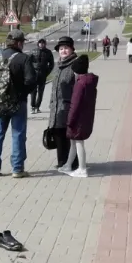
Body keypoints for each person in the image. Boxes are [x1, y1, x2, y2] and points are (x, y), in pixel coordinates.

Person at [0, 30, 37, 179]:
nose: (23, 45)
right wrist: (22, 93)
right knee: (18, 135)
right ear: (19, 43)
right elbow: (31, 81)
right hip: (18, 103)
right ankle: (17, 169)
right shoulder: (24, 59)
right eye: (22, 42)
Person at [59, 54, 98, 178]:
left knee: (78, 143)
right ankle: (68, 165)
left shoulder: (80, 84)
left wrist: (69, 120)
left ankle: (82, 168)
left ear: (77, 71)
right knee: (74, 143)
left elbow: (74, 104)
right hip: (85, 118)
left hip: (78, 120)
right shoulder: (89, 82)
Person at [48, 36, 80, 171]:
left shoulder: (75, 65)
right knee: (58, 134)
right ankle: (61, 161)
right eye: (61, 49)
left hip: (69, 106)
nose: (63, 51)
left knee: (70, 136)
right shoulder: (57, 65)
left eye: (66, 48)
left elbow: (79, 87)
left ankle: (73, 162)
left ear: (72, 49)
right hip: (56, 106)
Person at [29, 38, 54, 114]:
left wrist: (47, 72)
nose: (41, 44)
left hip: (43, 74)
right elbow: (28, 63)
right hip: (34, 74)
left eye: (43, 43)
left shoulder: (48, 52)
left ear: (45, 44)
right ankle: (33, 106)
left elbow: (51, 64)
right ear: (38, 44)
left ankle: (37, 107)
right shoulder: (33, 51)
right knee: (33, 91)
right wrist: (30, 72)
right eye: (40, 43)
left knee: (41, 92)